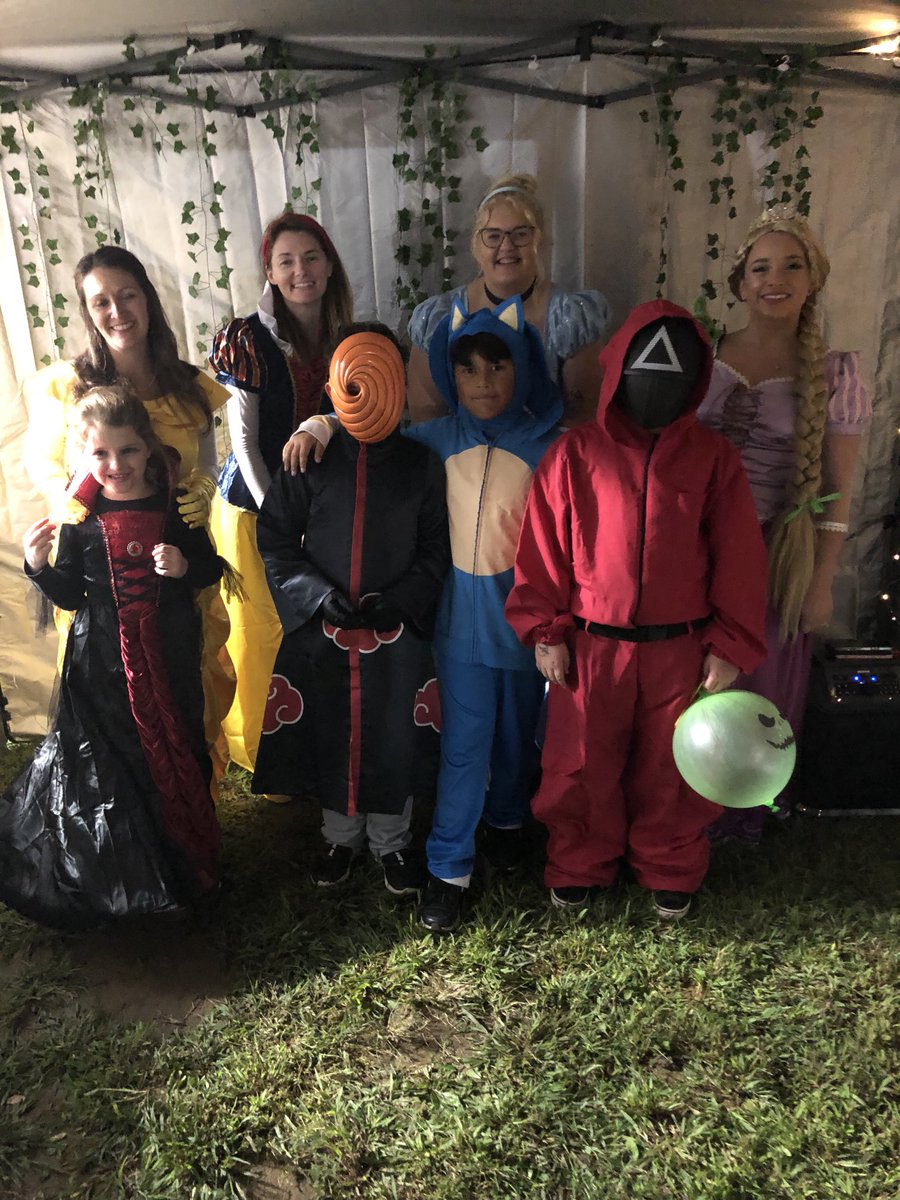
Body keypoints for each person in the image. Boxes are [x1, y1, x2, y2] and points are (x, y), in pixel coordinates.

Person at [289, 297, 564, 932]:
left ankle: (505, 824)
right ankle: (448, 868)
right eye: (468, 370)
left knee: (520, 741)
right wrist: (324, 422)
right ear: (450, 375)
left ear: (522, 367)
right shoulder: (431, 441)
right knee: (465, 747)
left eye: (497, 367)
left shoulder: (549, 448)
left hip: (527, 632)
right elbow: (371, 429)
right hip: (459, 636)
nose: (484, 382)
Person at [505, 300, 769, 920]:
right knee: (579, 762)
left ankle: (669, 860)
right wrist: (545, 630)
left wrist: (729, 644)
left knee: (673, 765)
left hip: (681, 648)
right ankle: (578, 859)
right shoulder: (576, 455)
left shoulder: (713, 460)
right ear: (619, 370)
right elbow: (542, 548)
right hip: (592, 646)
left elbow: (737, 556)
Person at [0, 387, 225, 929]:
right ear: (83, 453)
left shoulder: (172, 506)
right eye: (100, 454)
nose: (115, 465)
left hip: (167, 655)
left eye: (126, 451)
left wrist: (183, 569)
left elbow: (212, 568)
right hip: (100, 663)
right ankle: (126, 880)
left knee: (175, 752)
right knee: (114, 766)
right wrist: (36, 567)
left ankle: (183, 870)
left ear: (147, 449)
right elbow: (73, 595)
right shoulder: (81, 520)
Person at [252, 327, 449, 897]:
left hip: (397, 638)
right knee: (333, 734)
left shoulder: (419, 465)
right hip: (326, 636)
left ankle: (392, 843)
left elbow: (437, 548)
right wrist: (315, 596)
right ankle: (340, 837)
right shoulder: (309, 460)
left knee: (393, 738)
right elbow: (278, 539)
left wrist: (404, 599)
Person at [697, 209, 871, 842]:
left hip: (779, 550)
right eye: (760, 267)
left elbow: (836, 489)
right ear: (740, 282)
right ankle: (683, 807)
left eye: (791, 265)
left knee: (759, 676)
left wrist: (823, 579)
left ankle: (743, 813)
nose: (775, 279)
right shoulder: (703, 354)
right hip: (697, 551)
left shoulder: (835, 374)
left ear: (813, 278)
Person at [20, 246, 231, 765]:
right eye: (100, 302)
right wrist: (69, 504)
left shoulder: (187, 387)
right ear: (88, 313)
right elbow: (42, 462)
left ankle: (184, 820)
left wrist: (202, 493)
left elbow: (205, 463)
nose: (117, 312)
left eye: (127, 295)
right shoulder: (70, 387)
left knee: (183, 689)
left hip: (172, 575)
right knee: (110, 713)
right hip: (100, 581)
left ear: (148, 297)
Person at [209, 212, 353, 779]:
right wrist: (279, 516)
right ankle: (261, 752)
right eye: (286, 261)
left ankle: (312, 739)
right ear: (269, 271)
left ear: (329, 263)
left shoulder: (346, 334)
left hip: (318, 505)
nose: (301, 271)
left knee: (312, 627)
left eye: (311, 257)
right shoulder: (247, 338)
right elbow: (243, 441)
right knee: (259, 630)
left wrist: (329, 422)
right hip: (254, 506)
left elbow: (357, 410)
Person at [405, 173, 610, 427]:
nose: (507, 246)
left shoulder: (569, 317)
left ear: (540, 240)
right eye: (493, 236)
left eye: (520, 234)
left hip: (547, 461)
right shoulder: (439, 318)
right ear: (476, 246)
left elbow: (581, 422)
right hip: (462, 460)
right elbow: (427, 421)